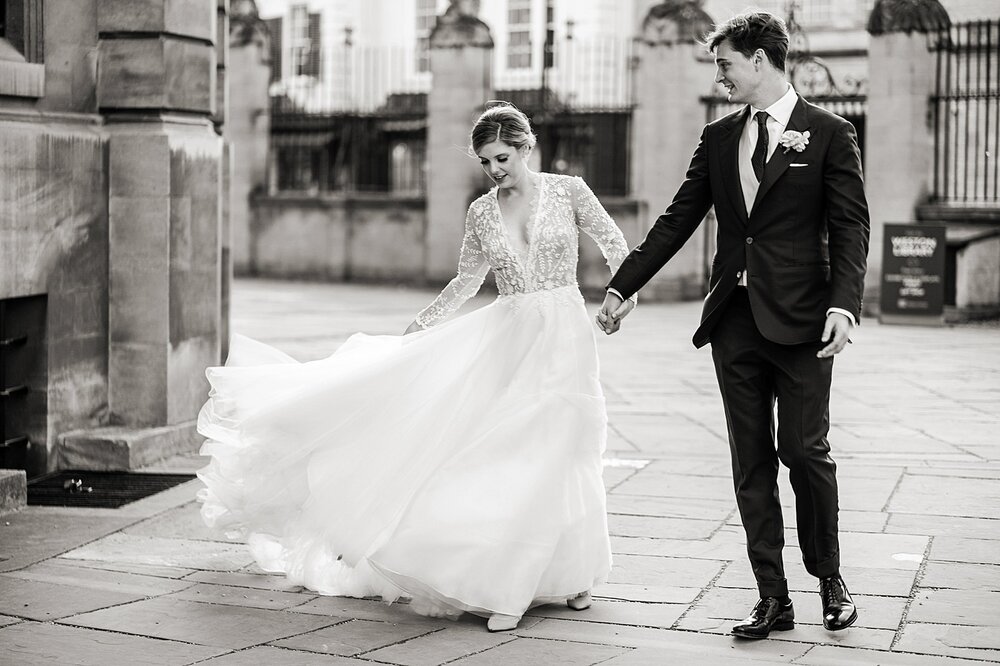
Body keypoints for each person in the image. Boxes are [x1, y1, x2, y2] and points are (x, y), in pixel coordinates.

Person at [196, 102, 635, 633]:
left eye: (502, 157)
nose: (495, 170)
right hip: (509, 335)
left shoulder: (570, 191)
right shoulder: (481, 212)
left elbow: (618, 247)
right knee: (517, 450)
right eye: (485, 162)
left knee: (568, 448)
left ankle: (577, 574)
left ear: (526, 147)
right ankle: (509, 585)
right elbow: (467, 280)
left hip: (565, 332)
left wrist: (620, 296)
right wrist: (422, 326)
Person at [598, 11, 869, 639]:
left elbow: (851, 226)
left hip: (804, 321)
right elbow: (677, 217)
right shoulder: (718, 139)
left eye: (724, 63)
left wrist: (843, 305)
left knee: (804, 453)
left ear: (759, 60)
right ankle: (772, 597)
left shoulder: (829, 133)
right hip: (734, 322)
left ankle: (830, 579)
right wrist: (622, 285)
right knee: (750, 460)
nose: (718, 75)